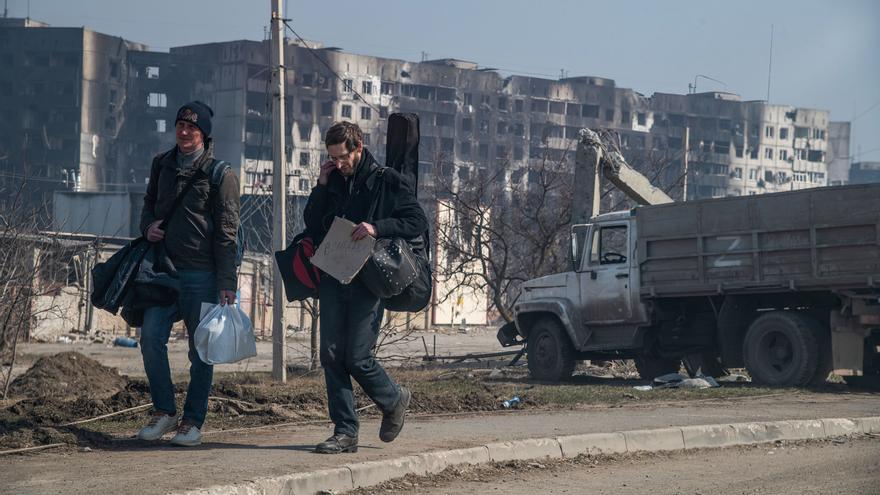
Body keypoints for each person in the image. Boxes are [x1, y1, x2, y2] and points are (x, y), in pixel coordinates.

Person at [304, 121, 427, 454]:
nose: (339, 164)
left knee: (357, 356)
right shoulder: (332, 179)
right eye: (333, 158)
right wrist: (321, 184)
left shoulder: (386, 180)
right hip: (333, 275)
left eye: (343, 157)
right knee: (331, 356)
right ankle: (345, 432)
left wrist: (377, 227)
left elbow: (417, 221)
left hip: (367, 280)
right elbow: (312, 223)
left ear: (358, 147)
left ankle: (394, 398)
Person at [136, 100, 241, 447]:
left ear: (204, 134)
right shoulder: (161, 164)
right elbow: (148, 204)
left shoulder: (221, 175)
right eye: (180, 125)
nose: (183, 132)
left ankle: (192, 422)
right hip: (163, 270)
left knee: (202, 353)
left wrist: (227, 282)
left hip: (203, 275)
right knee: (151, 337)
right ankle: (164, 412)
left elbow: (227, 231)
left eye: (191, 128)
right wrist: (147, 226)